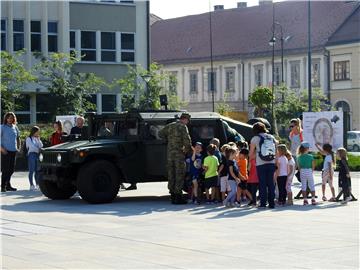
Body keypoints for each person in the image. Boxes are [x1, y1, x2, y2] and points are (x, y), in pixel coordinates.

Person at [158, 112, 192, 204]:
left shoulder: (170, 125)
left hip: (169, 155)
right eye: (188, 120)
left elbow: (160, 134)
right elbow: (187, 141)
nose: (188, 122)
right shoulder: (183, 127)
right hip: (179, 155)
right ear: (185, 119)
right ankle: (178, 197)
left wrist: (168, 140)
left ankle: (172, 196)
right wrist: (187, 150)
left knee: (171, 174)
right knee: (179, 175)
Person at [249, 122, 277, 209]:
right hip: (271, 162)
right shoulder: (271, 137)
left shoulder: (255, 138)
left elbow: (250, 154)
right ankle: (272, 203)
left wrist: (255, 155)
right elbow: (276, 150)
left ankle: (263, 203)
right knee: (271, 183)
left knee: (262, 183)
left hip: (261, 163)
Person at [1, 112, 20, 192]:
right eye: (8, 118)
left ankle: (8, 185)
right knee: (5, 170)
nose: (10, 119)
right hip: (5, 151)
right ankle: (3, 186)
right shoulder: (2, 127)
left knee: (11, 170)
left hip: (13, 151)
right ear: (6, 118)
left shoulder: (15, 127)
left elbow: (18, 138)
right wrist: (1, 149)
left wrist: (19, 147)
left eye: (12, 118)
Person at [26, 126, 43, 190]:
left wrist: (39, 140)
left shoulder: (37, 138)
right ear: (34, 131)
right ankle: (31, 185)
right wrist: (38, 149)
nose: (38, 133)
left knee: (37, 171)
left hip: (37, 155)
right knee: (31, 170)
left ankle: (37, 184)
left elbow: (41, 146)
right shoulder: (28, 138)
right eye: (37, 131)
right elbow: (31, 147)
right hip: (31, 155)